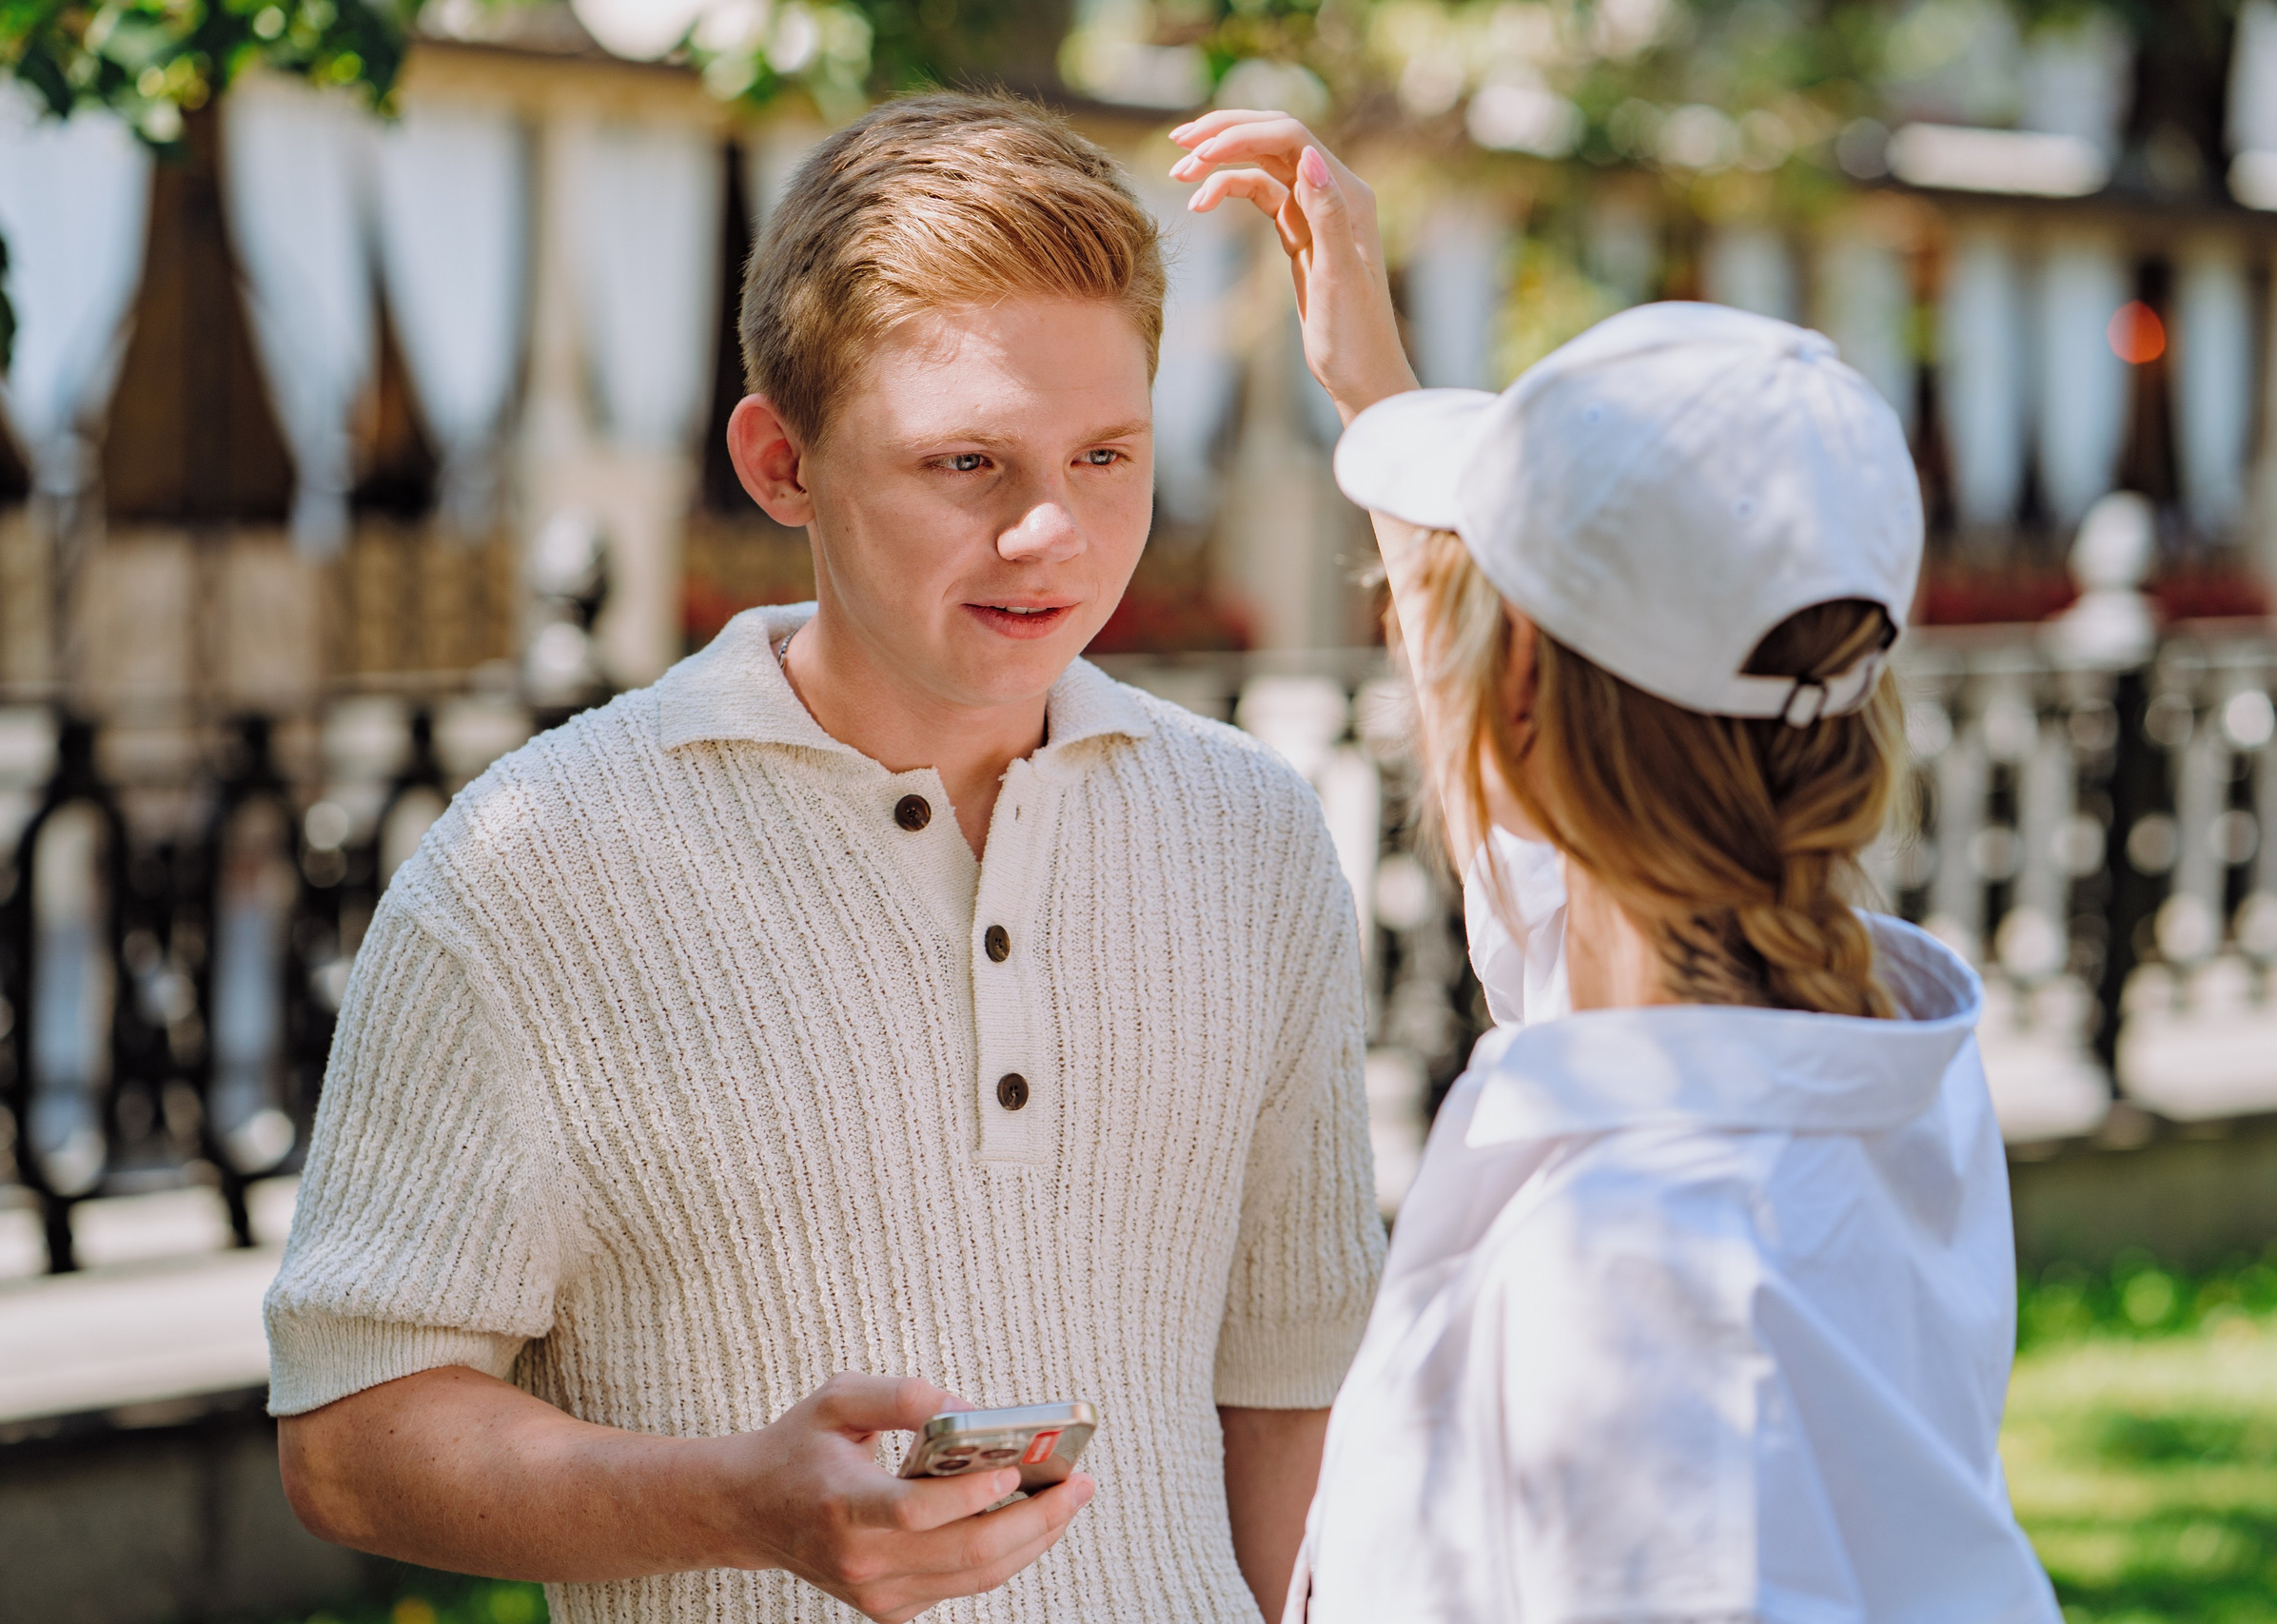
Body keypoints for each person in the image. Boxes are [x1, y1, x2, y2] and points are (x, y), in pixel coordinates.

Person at [267, 95, 1385, 1624]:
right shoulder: (534, 866)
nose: (1052, 533)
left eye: (1106, 454)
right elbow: (349, 1437)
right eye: (966, 463)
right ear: (780, 463)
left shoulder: (1254, 836)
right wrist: (734, 1504)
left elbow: (1291, 1393)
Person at [1171, 111, 2065, 1622]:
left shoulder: (1640, 1273)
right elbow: (1557, 897)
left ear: (1518, 690)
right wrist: (1378, 398)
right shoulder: (1856, 1061)